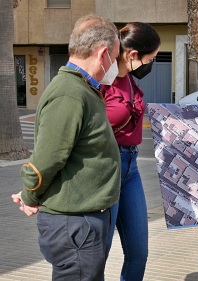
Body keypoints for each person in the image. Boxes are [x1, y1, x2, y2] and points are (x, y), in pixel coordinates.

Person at [11, 14, 121, 280]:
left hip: (82, 220)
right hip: (75, 224)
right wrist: (29, 196)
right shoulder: (69, 93)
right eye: (115, 58)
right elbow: (46, 160)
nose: (115, 65)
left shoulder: (81, 88)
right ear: (103, 53)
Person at [102, 22, 160, 280]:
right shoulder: (102, 80)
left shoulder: (130, 81)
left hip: (131, 168)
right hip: (105, 168)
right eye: (152, 58)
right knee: (97, 254)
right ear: (133, 54)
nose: (151, 64)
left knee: (139, 251)